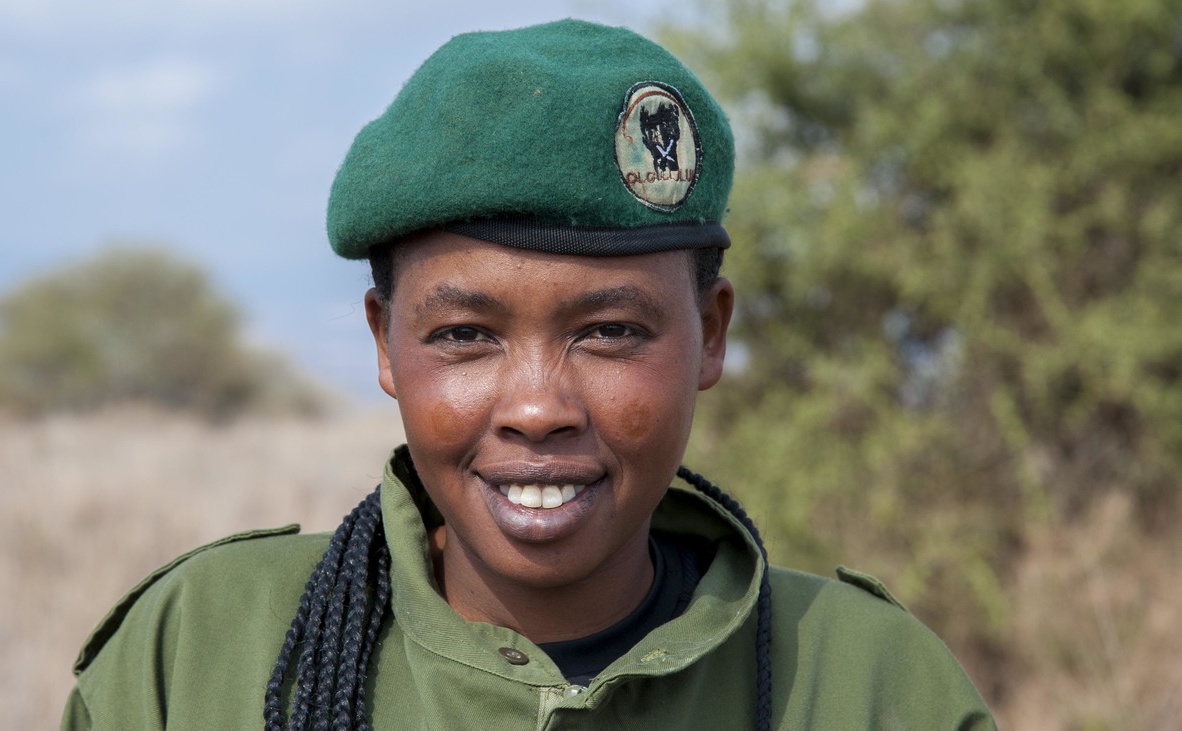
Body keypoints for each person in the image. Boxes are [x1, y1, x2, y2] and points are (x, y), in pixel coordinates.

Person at [61, 19, 997, 731]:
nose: (539, 406)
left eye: (613, 331)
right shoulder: (198, 660)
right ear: (386, 345)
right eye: (466, 334)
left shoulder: (870, 685)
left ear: (710, 337)